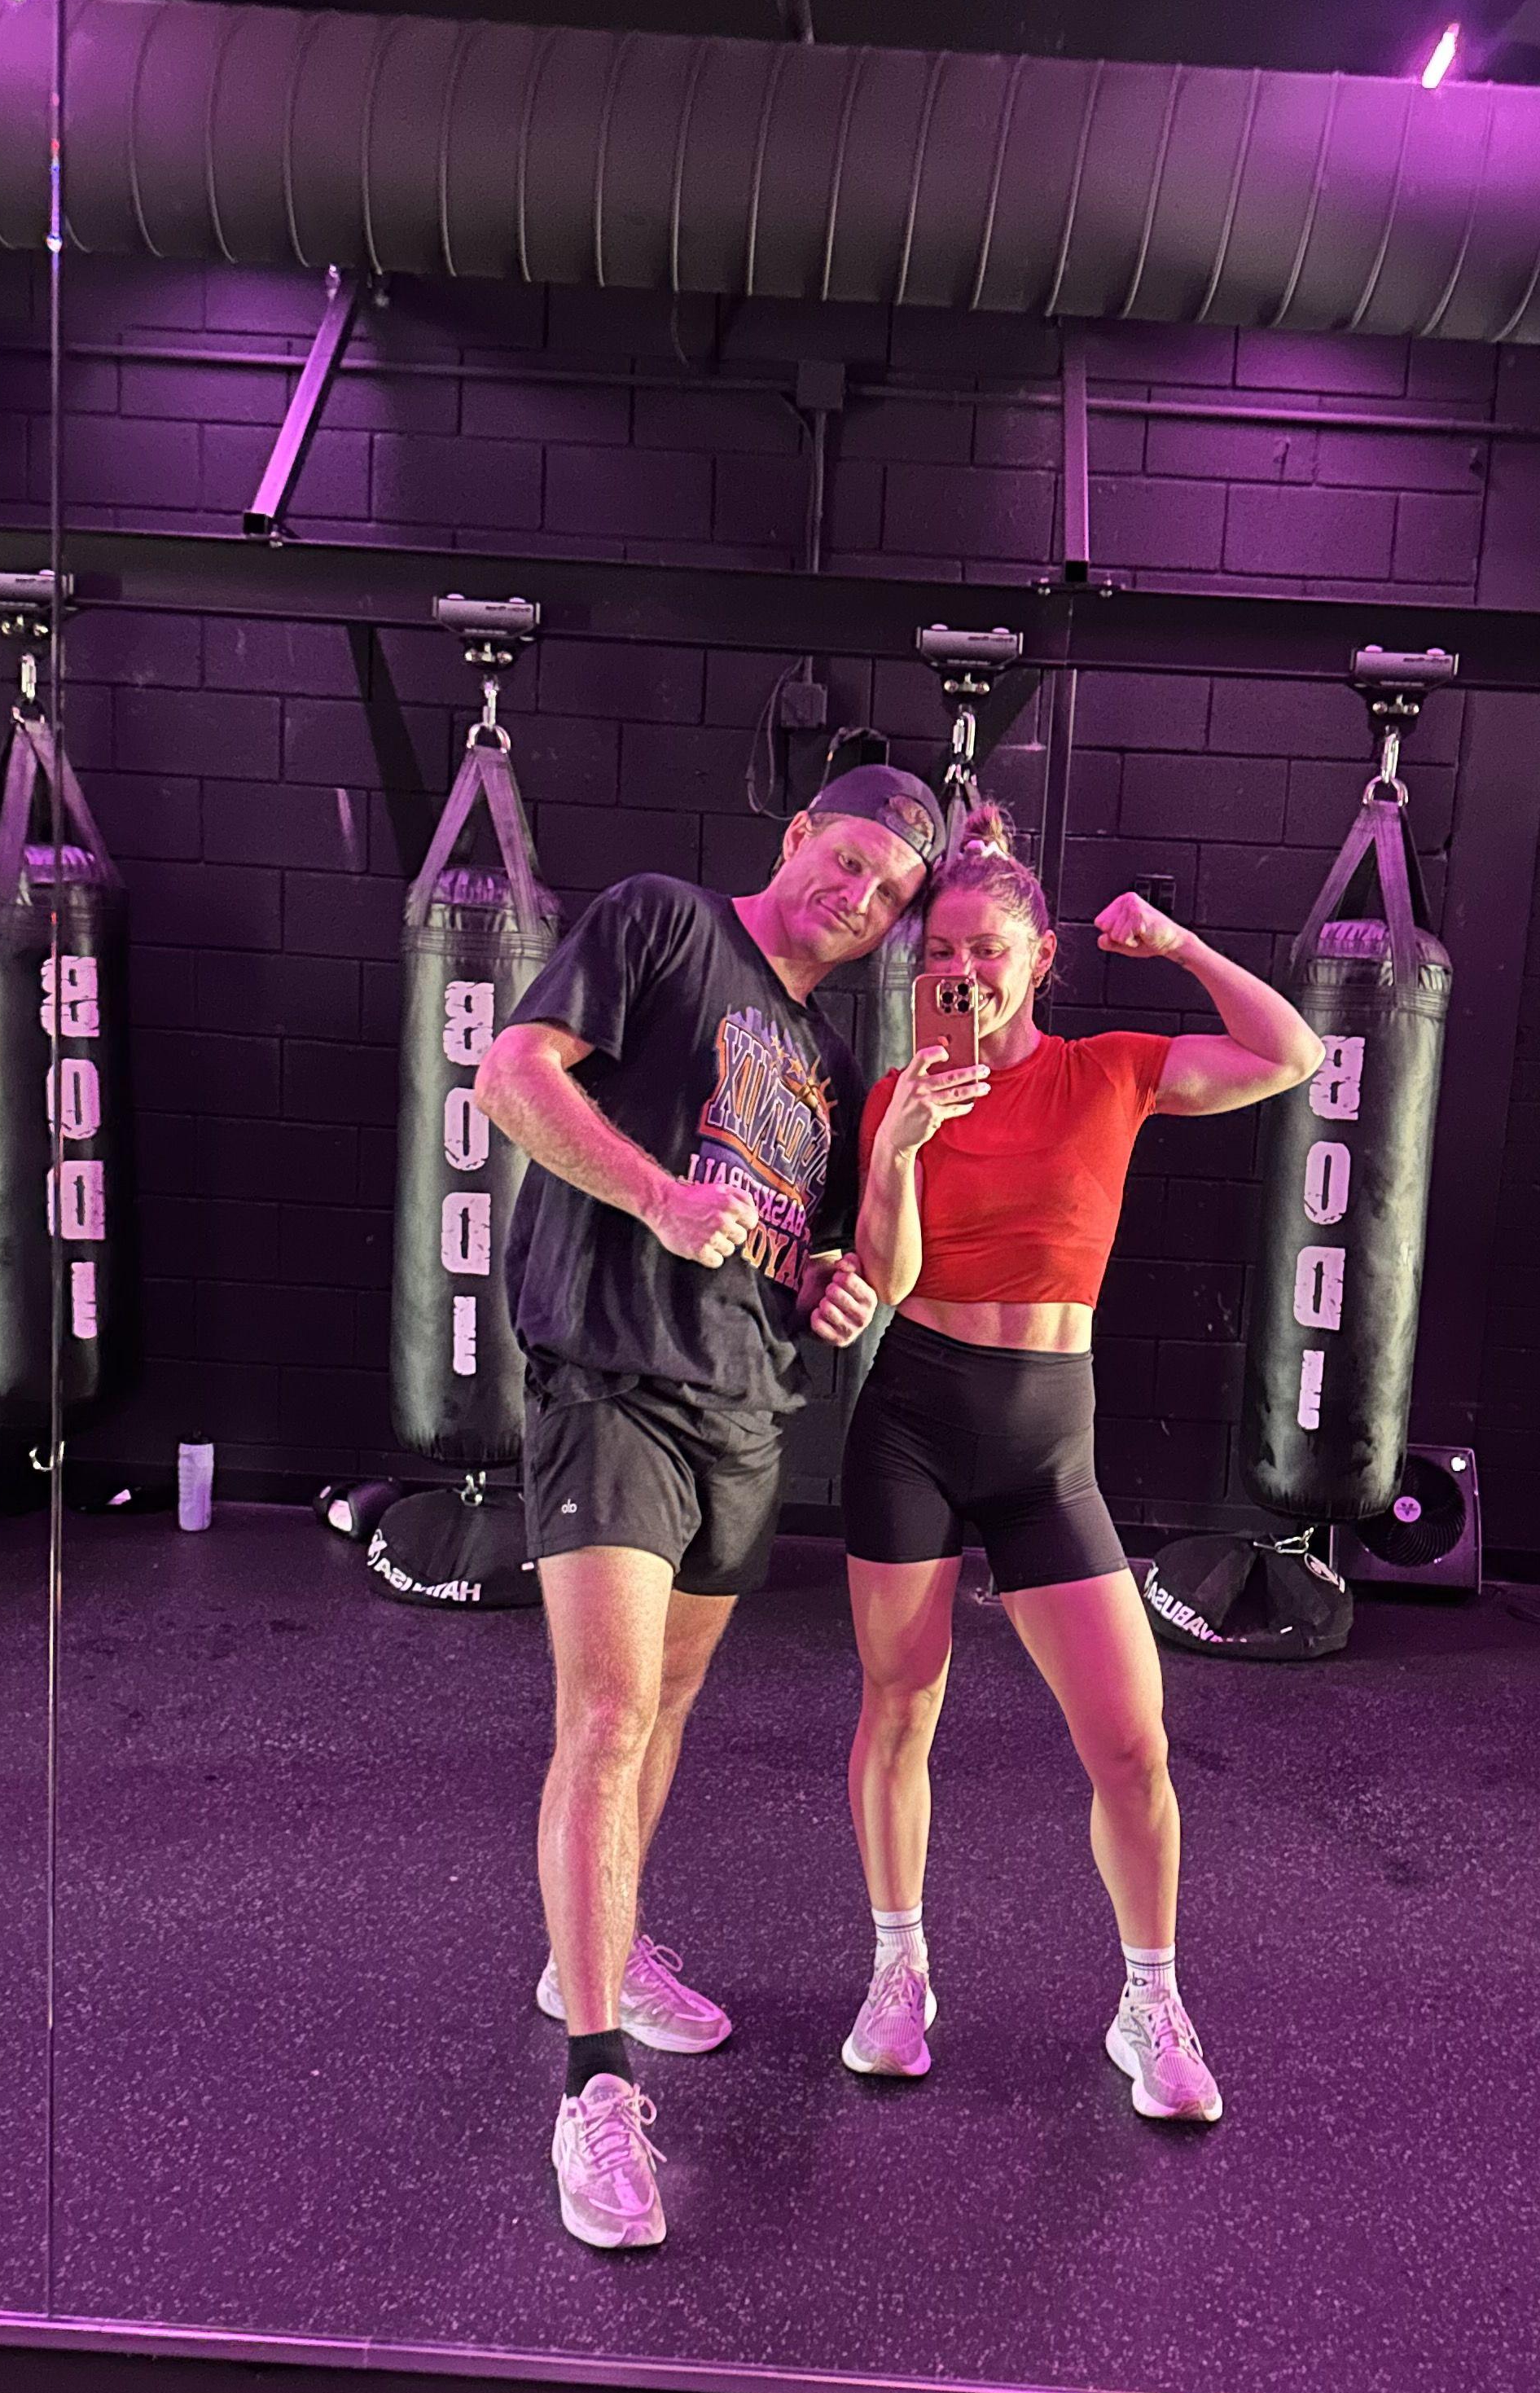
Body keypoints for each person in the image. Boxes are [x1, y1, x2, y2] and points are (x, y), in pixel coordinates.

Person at [476, 766, 950, 2250]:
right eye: (850, 861)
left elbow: (793, 1236)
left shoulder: (826, 1058)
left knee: (667, 1712)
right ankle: (594, 2090)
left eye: (890, 895)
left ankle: (595, 1952)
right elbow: (514, 1074)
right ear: (797, 836)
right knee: (609, 1716)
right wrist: (655, 1197)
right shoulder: (663, 924)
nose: (860, 900)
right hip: (610, 1380)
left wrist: (822, 1285)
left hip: (744, 1412)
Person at [836, 816, 1321, 2123]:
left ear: (1039, 958)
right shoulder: (898, 1096)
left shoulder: (1110, 1072)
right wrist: (898, 1148)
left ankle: (1149, 2002)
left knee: (1130, 1742)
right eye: (941, 954)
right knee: (901, 1705)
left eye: (987, 951)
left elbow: (1294, 1054)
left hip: (1049, 1441)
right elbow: (889, 1279)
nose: (963, 974)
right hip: (913, 1421)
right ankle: (897, 1972)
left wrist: (1180, 946)